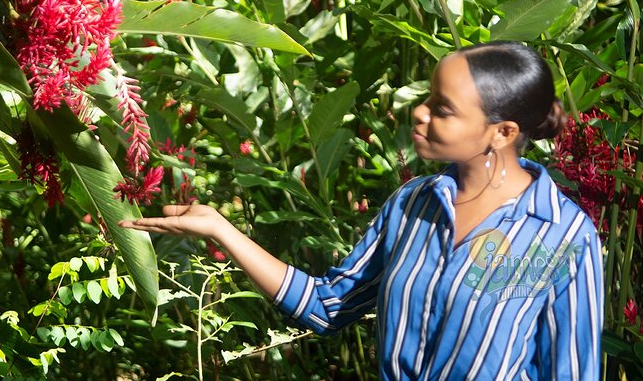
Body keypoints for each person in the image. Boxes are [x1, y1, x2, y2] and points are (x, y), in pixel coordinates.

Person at [119, 41, 603, 380]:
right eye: (427, 98)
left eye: (442, 108)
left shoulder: (561, 236)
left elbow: (573, 371)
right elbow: (330, 306)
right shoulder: (413, 205)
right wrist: (221, 229)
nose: (420, 112)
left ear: (502, 132)